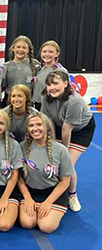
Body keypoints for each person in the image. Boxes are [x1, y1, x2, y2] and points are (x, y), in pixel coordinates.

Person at [41, 70, 95, 212]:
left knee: (67, 164)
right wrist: (52, 145)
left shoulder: (74, 101)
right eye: (49, 84)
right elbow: (49, 122)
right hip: (59, 125)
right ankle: (55, 190)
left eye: (56, 83)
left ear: (66, 83)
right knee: (51, 159)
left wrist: (62, 151)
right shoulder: (46, 97)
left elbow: (67, 129)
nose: (52, 87)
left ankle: (72, 195)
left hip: (81, 130)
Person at [18, 112, 74, 233]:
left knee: (46, 227)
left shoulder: (60, 149)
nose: (35, 129)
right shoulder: (22, 147)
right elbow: (19, 177)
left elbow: (65, 181)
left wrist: (48, 202)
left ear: (47, 127)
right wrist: (27, 198)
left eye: (39, 124)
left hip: (52, 192)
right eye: (31, 125)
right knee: (27, 223)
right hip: (31, 192)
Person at [2, 35, 40, 107]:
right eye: (18, 47)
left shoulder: (35, 64)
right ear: (13, 48)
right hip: (9, 101)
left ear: (28, 50)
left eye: (24, 48)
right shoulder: (5, 66)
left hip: (27, 101)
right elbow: (2, 87)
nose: (20, 50)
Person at [33, 41, 68, 110]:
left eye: (50, 52)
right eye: (44, 51)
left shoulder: (60, 71)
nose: (47, 54)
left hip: (53, 105)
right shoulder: (38, 69)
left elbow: (65, 92)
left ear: (57, 54)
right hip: (37, 105)